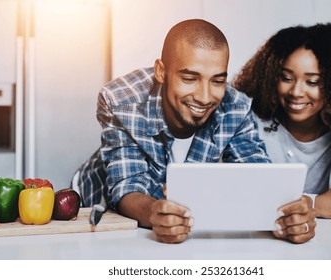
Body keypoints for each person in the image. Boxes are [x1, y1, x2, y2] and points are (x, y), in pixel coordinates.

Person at [72, 19, 316, 244]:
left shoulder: (236, 107)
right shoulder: (121, 99)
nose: (205, 97)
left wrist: (287, 217)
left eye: (218, 81)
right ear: (161, 71)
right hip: (94, 204)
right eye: (190, 78)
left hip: (172, 222)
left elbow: (258, 178)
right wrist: (155, 214)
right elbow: (127, 185)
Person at [233, 23, 331, 220]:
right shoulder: (250, 124)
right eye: (287, 78)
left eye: (313, 82)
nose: (296, 92)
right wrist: (318, 205)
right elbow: (245, 197)